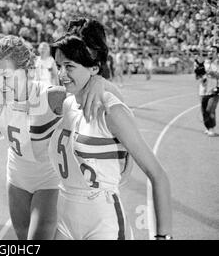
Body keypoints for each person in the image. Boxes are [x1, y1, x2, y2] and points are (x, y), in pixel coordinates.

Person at [0, 35, 122, 240]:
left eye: (6, 76)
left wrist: (99, 81)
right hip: (16, 176)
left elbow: (107, 97)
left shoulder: (51, 97)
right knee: (22, 237)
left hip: (48, 179)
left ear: (27, 71)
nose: (0, 84)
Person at [48, 19, 172, 240]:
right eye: (59, 66)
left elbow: (158, 175)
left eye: (70, 65)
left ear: (94, 60)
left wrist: (163, 237)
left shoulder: (110, 108)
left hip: (103, 223)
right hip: (65, 218)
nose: (62, 73)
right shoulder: (66, 103)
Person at [197, 46, 219, 137]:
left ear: (217, 53)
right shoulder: (204, 62)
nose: (210, 52)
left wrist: (215, 74)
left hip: (215, 89)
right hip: (203, 89)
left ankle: (212, 128)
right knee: (204, 110)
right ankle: (208, 127)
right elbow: (198, 74)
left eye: (213, 51)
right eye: (209, 51)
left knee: (210, 109)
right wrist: (201, 77)